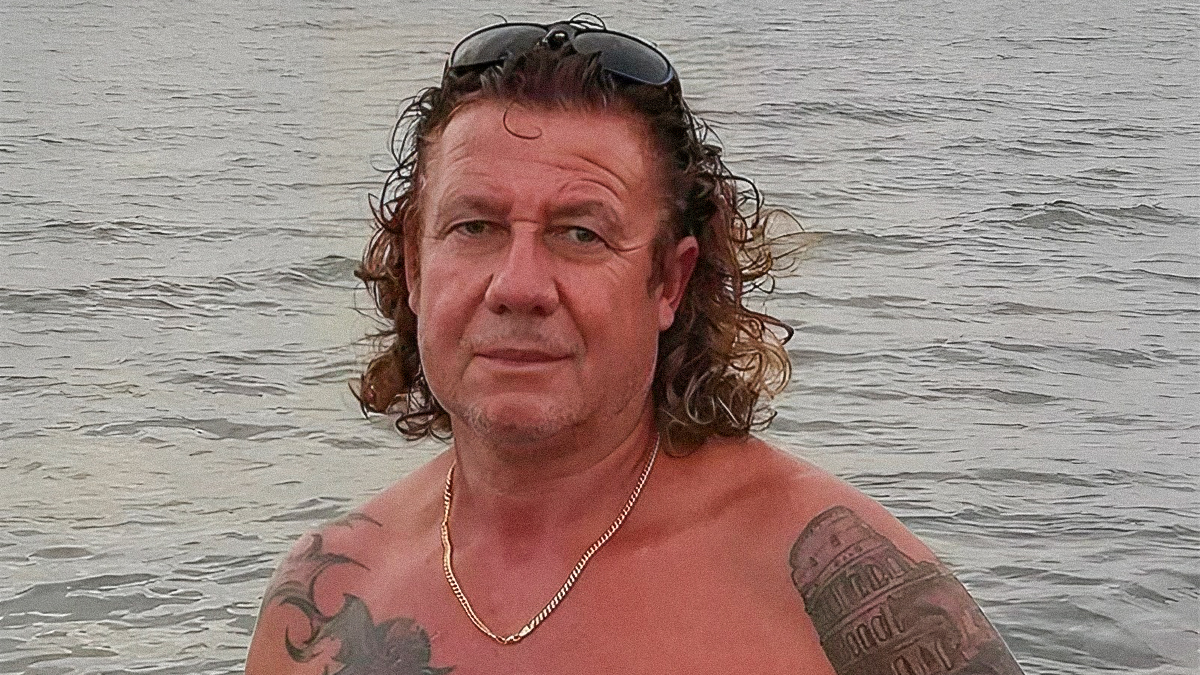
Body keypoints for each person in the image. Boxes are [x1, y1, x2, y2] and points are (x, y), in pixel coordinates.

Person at [246, 17, 1025, 674]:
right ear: (416, 268)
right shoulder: (322, 600)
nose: (519, 285)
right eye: (474, 226)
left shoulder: (832, 581)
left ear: (668, 281)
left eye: (580, 233)